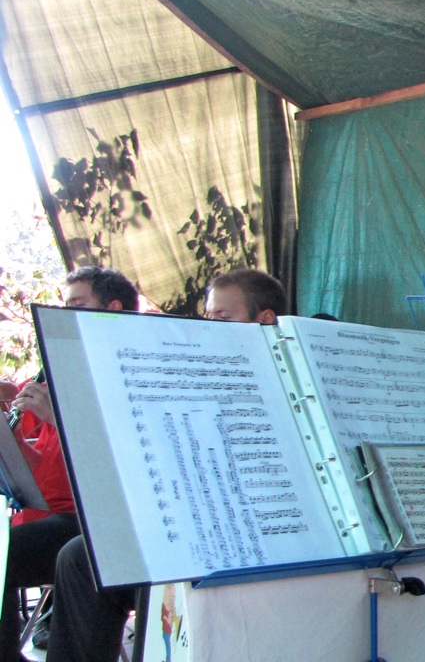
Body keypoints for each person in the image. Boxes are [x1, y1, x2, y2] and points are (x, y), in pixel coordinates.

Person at [45, 268, 291, 662]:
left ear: (264, 319)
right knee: (80, 557)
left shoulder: (284, 378)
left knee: (163, 566)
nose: (210, 326)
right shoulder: (196, 369)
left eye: (223, 317)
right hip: (194, 520)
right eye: (208, 316)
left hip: (254, 533)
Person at [0, 267, 138, 662]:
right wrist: (9, 440)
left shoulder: (126, 368)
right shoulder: (66, 366)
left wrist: (60, 419)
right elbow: (46, 473)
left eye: (76, 305)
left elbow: (115, 466)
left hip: (94, 516)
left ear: (113, 308)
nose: (62, 316)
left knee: (19, 553)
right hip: (56, 512)